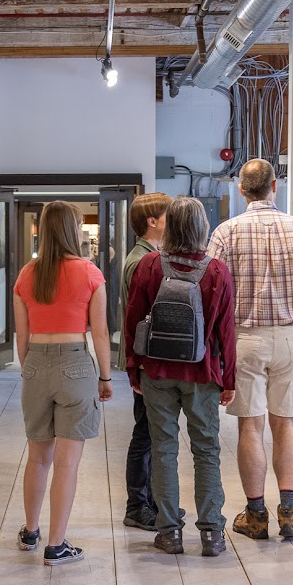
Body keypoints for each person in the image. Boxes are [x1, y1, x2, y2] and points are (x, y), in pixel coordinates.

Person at [207, 158, 293, 540]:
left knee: (251, 424)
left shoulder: (226, 233)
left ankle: (256, 515)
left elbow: (212, 292)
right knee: (286, 423)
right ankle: (289, 514)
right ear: (275, 186)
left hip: (244, 338)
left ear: (241, 190)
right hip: (291, 337)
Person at [125, 197, 237, 556]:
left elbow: (133, 321)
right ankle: (212, 534)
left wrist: (133, 367)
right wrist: (229, 379)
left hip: (157, 370)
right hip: (202, 372)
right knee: (206, 450)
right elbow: (226, 331)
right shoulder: (217, 271)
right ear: (203, 227)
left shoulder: (149, 265)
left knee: (163, 448)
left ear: (170, 226)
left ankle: (170, 531)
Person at [12, 201, 113, 566]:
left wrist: (31, 370)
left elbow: (21, 336)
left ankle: (30, 531)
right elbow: (100, 333)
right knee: (66, 464)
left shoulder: (27, 274)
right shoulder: (90, 273)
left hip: (36, 362)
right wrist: (105, 376)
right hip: (75, 363)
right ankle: (56, 545)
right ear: (73, 229)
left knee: (38, 457)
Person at [117, 192, 171, 531]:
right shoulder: (142, 261)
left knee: (149, 432)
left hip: (144, 359)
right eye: (168, 216)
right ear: (152, 222)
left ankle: (149, 502)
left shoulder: (148, 256)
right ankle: (137, 506)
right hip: (145, 360)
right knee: (145, 434)